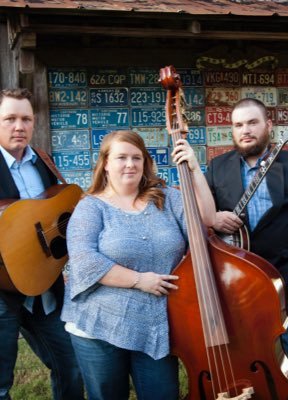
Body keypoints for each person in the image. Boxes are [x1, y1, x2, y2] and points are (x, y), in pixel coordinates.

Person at [61, 130, 216, 400]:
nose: (130, 164)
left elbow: (207, 219)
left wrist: (194, 169)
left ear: (145, 162)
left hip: (154, 325)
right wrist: (140, 280)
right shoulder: (91, 208)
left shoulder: (167, 198)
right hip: (99, 325)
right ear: (106, 163)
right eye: (121, 157)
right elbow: (85, 261)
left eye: (137, 157)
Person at [205, 98, 288, 372]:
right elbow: (202, 216)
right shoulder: (217, 167)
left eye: (252, 122)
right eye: (238, 125)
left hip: (283, 277)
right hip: (233, 280)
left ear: (268, 125)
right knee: (243, 360)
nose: (245, 130)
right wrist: (214, 218)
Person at [0, 88, 84, 400]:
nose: (18, 126)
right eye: (9, 119)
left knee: (71, 366)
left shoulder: (43, 163)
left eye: (25, 119)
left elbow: (52, 218)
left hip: (43, 287)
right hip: (1, 289)